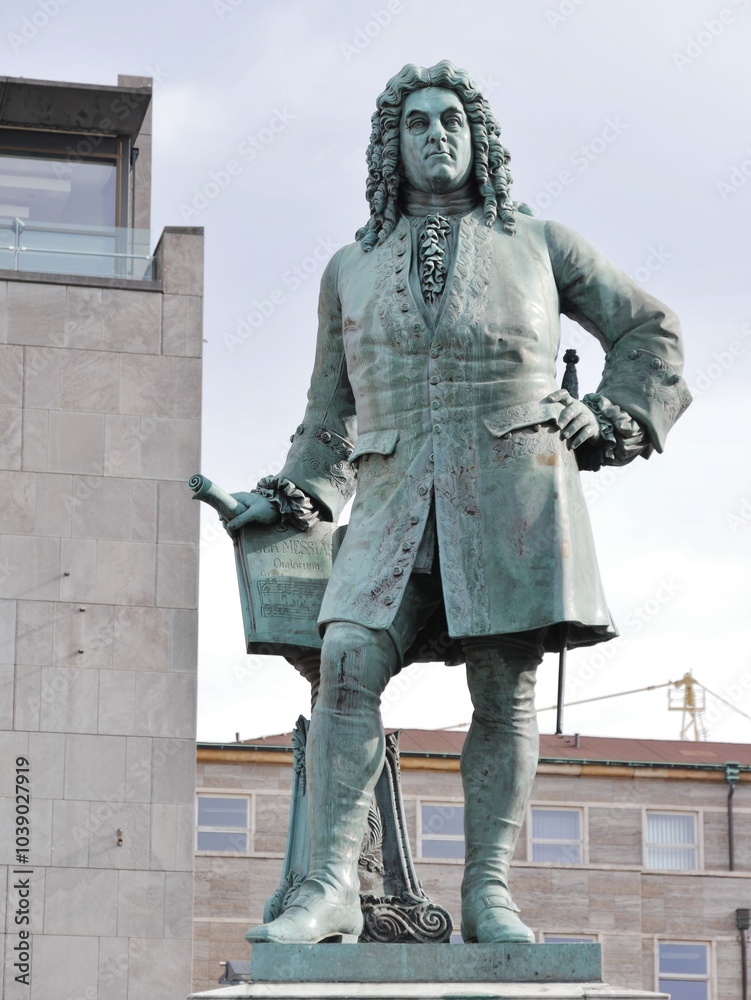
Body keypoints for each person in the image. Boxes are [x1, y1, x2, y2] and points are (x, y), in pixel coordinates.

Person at [227, 60, 690, 944]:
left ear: (480, 139)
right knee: (350, 660)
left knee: (503, 688)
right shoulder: (347, 269)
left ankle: (488, 892)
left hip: (514, 492)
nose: (435, 134)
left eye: (451, 120)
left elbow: (649, 331)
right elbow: (329, 418)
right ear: (387, 147)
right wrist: (284, 499)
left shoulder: (542, 242)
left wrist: (613, 416)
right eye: (415, 123)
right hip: (395, 494)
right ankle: (329, 887)